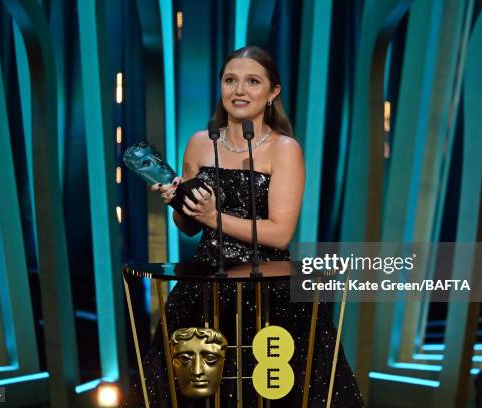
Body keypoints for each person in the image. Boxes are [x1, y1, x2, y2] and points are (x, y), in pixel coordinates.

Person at [132, 46, 364, 407]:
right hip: (204, 287)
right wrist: (180, 202)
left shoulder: (284, 149)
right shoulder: (199, 143)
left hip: (269, 291)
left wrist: (213, 217)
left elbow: (279, 233)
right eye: (230, 80)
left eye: (252, 81)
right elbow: (189, 228)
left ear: (272, 93)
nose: (238, 90)